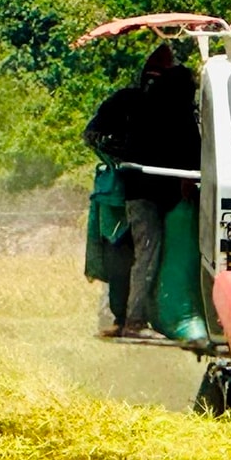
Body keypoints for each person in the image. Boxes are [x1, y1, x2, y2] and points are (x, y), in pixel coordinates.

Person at [84, 44, 199, 335]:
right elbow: (94, 133)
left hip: (145, 193)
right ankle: (133, 320)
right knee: (144, 255)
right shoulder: (156, 106)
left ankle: (136, 316)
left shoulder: (148, 104)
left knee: (145, 256)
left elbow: (93, 135)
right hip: (143, 194)